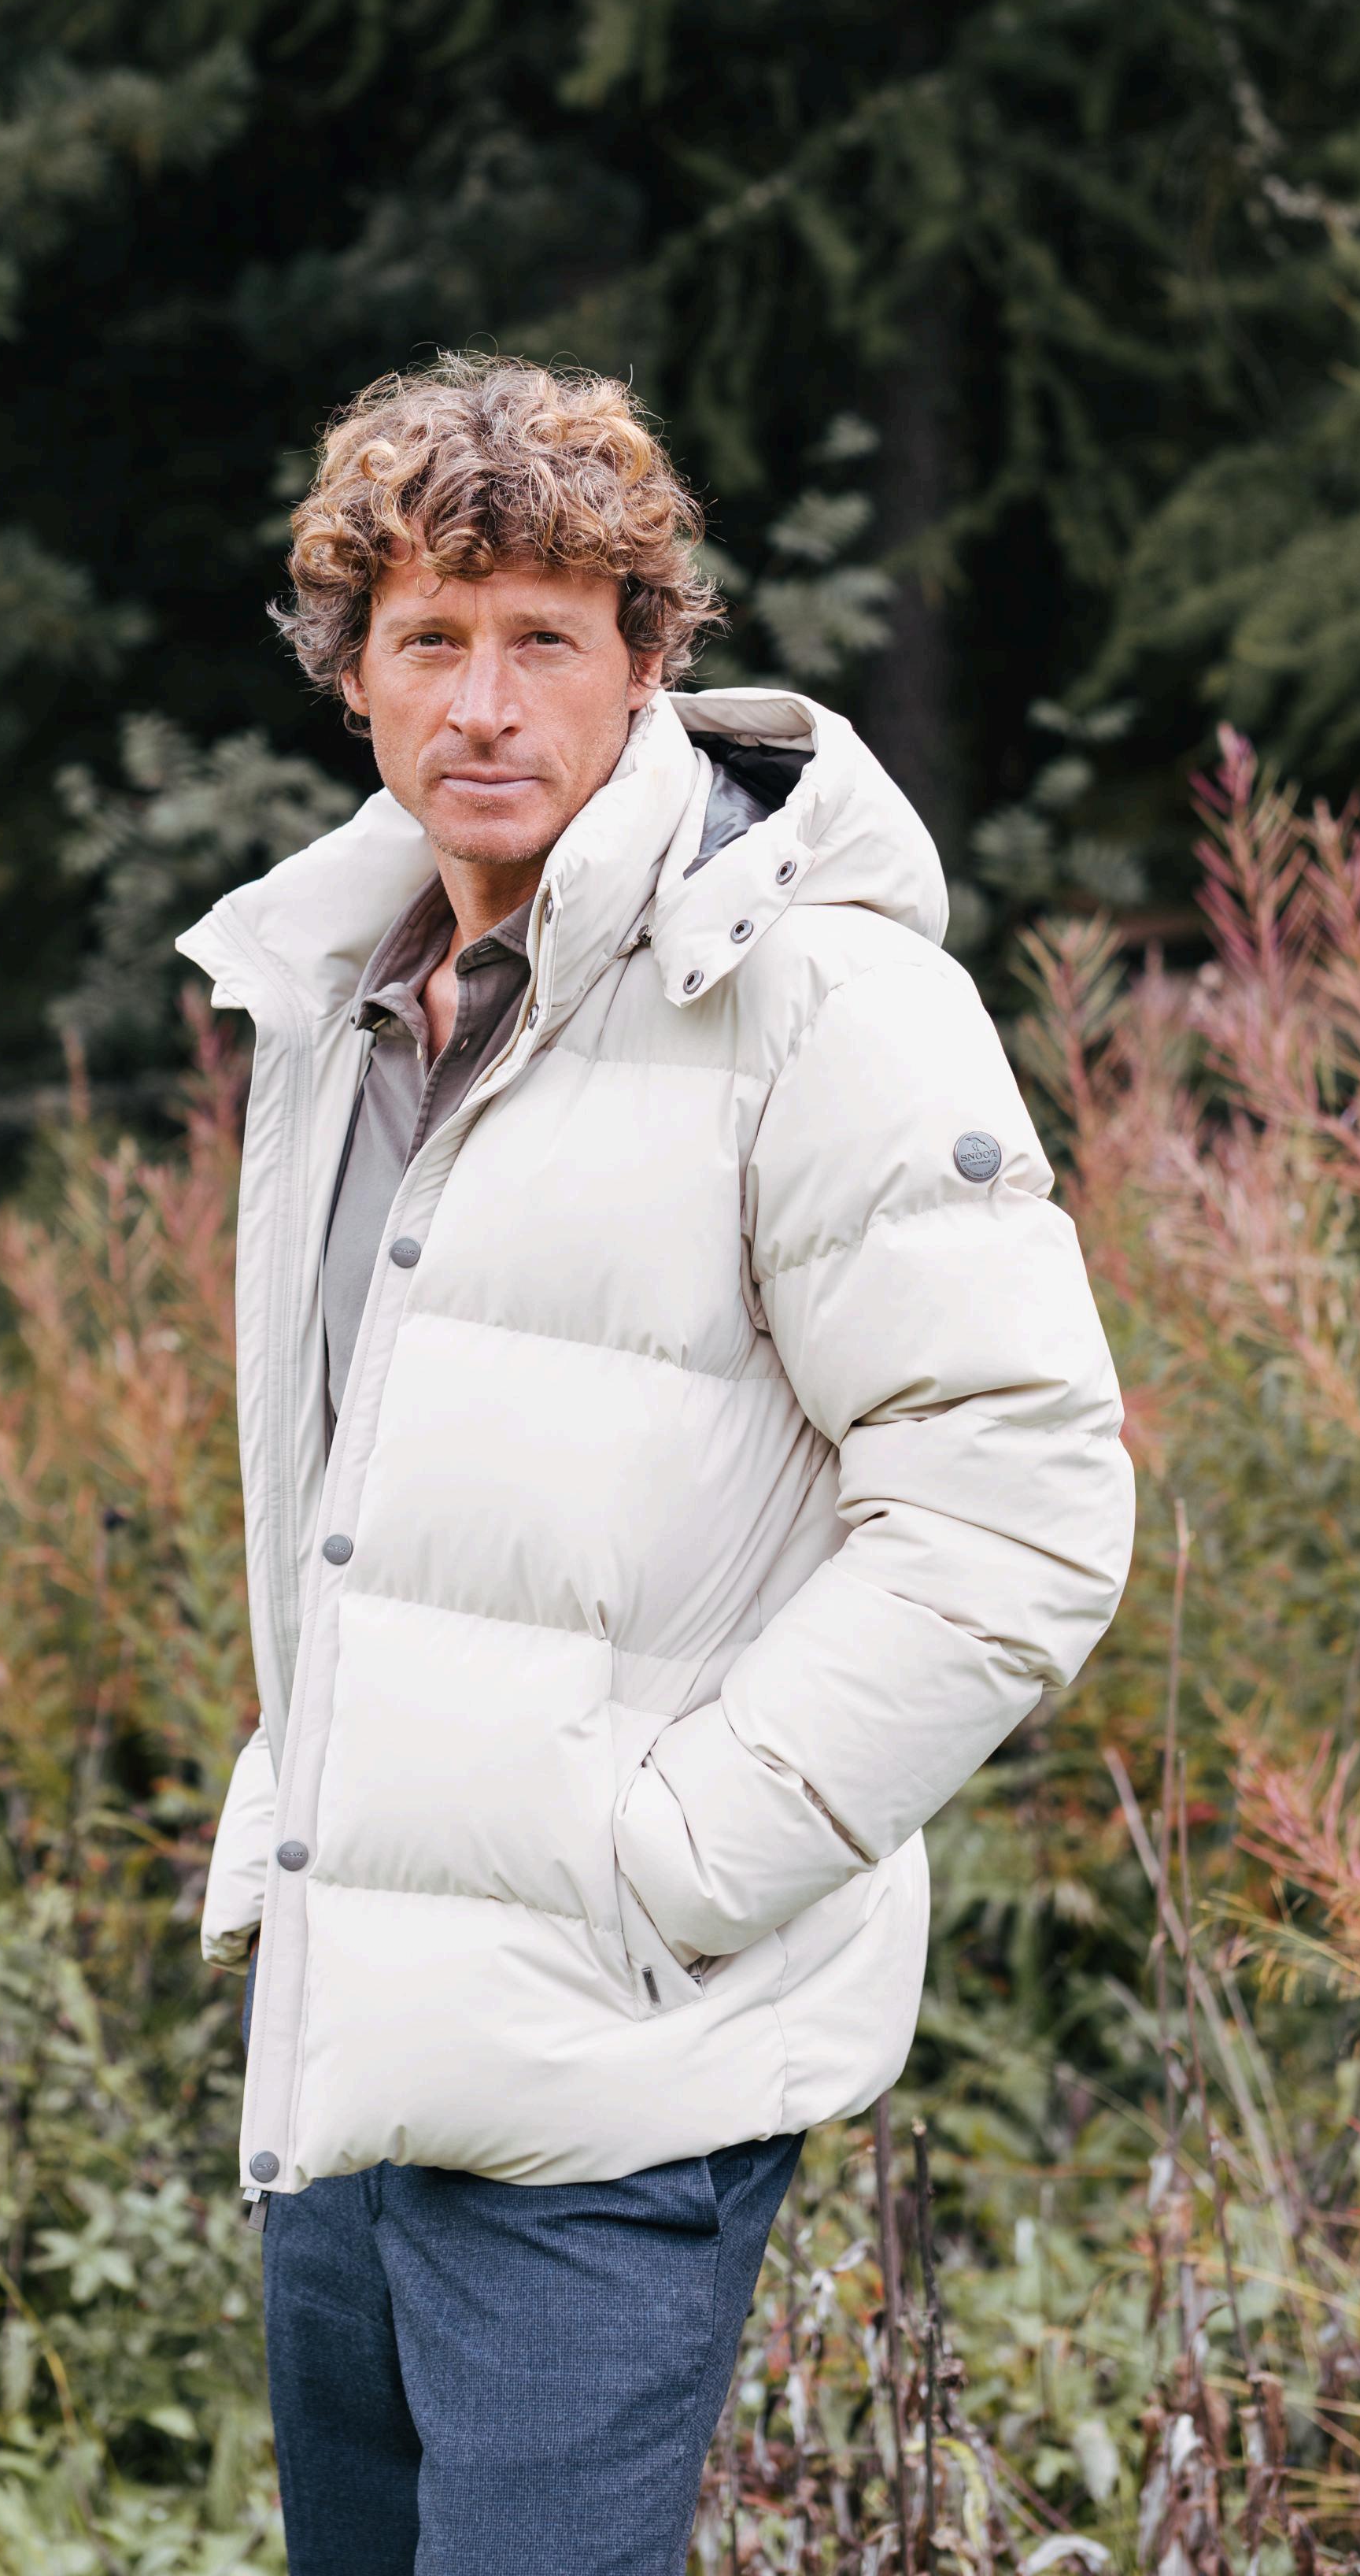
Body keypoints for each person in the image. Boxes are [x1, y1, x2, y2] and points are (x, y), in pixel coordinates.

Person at [178, 355, 1133, 2576]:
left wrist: (667, 1868)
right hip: (354, 2041)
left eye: (544, 637)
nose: (482, 702)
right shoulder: (339, 999)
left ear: (648, 661)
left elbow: (1018, 1508)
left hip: (616, 2073)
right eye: (429, 636)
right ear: (351, 674)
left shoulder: (820, 1003)